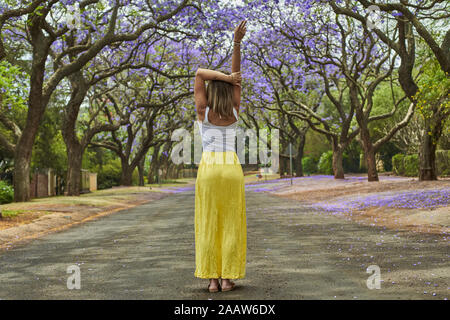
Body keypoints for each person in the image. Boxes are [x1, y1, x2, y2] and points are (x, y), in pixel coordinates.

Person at [194, 20, 247, 293]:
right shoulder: (235, 110)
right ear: (229, 91)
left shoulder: (203, 111)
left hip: (209, 169)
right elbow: (237, 74)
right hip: (231, 168)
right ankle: (227, 279)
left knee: (208, 222)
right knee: (231, 222)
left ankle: (212, 281)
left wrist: (223, 77)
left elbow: (200, 73)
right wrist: (236, 43)